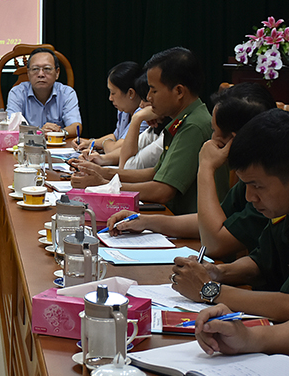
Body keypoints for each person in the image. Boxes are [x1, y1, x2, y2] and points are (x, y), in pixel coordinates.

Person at [104, 83, 275, 260]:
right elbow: (204, 223)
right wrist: (144, 221)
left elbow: (214, 244)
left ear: (234, 140)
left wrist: (206, 167)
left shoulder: (268, 187)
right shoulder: (250, 181)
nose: (210, 139)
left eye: (214, 131)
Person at [71, 47, 223, 215]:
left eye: (154, 90)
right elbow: (154, 173)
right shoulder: (185, 119)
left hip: (185, 221)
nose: (148, 97)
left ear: (179, 91)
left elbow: (162, 191)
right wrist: (102, 172)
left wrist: (104, 184)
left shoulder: (193, 125)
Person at [171, 109, 289, 321]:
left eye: (257, 186)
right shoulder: (280, 211)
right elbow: (261, 263)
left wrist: (208, 290)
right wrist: (218, 272)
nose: (250, 197)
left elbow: (286, 305)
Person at [75, 61, 147, 158]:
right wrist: (90, 142)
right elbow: (115, 136)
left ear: (131, 93)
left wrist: (104, 143)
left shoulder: (143, 115)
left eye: (113, 93)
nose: (110, 98)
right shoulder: (124, 110)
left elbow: (116, 148)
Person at [5, 47, 82, 134]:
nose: (41, 74)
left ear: (57, 73)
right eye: (35, 69)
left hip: (58, 142)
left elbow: (76, 126)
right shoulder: (17, 93)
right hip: (28, 142)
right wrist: (39, 132)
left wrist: (60, 132)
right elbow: (11, 127)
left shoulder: (67, 93)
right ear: (28, 73)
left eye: (47, 69)